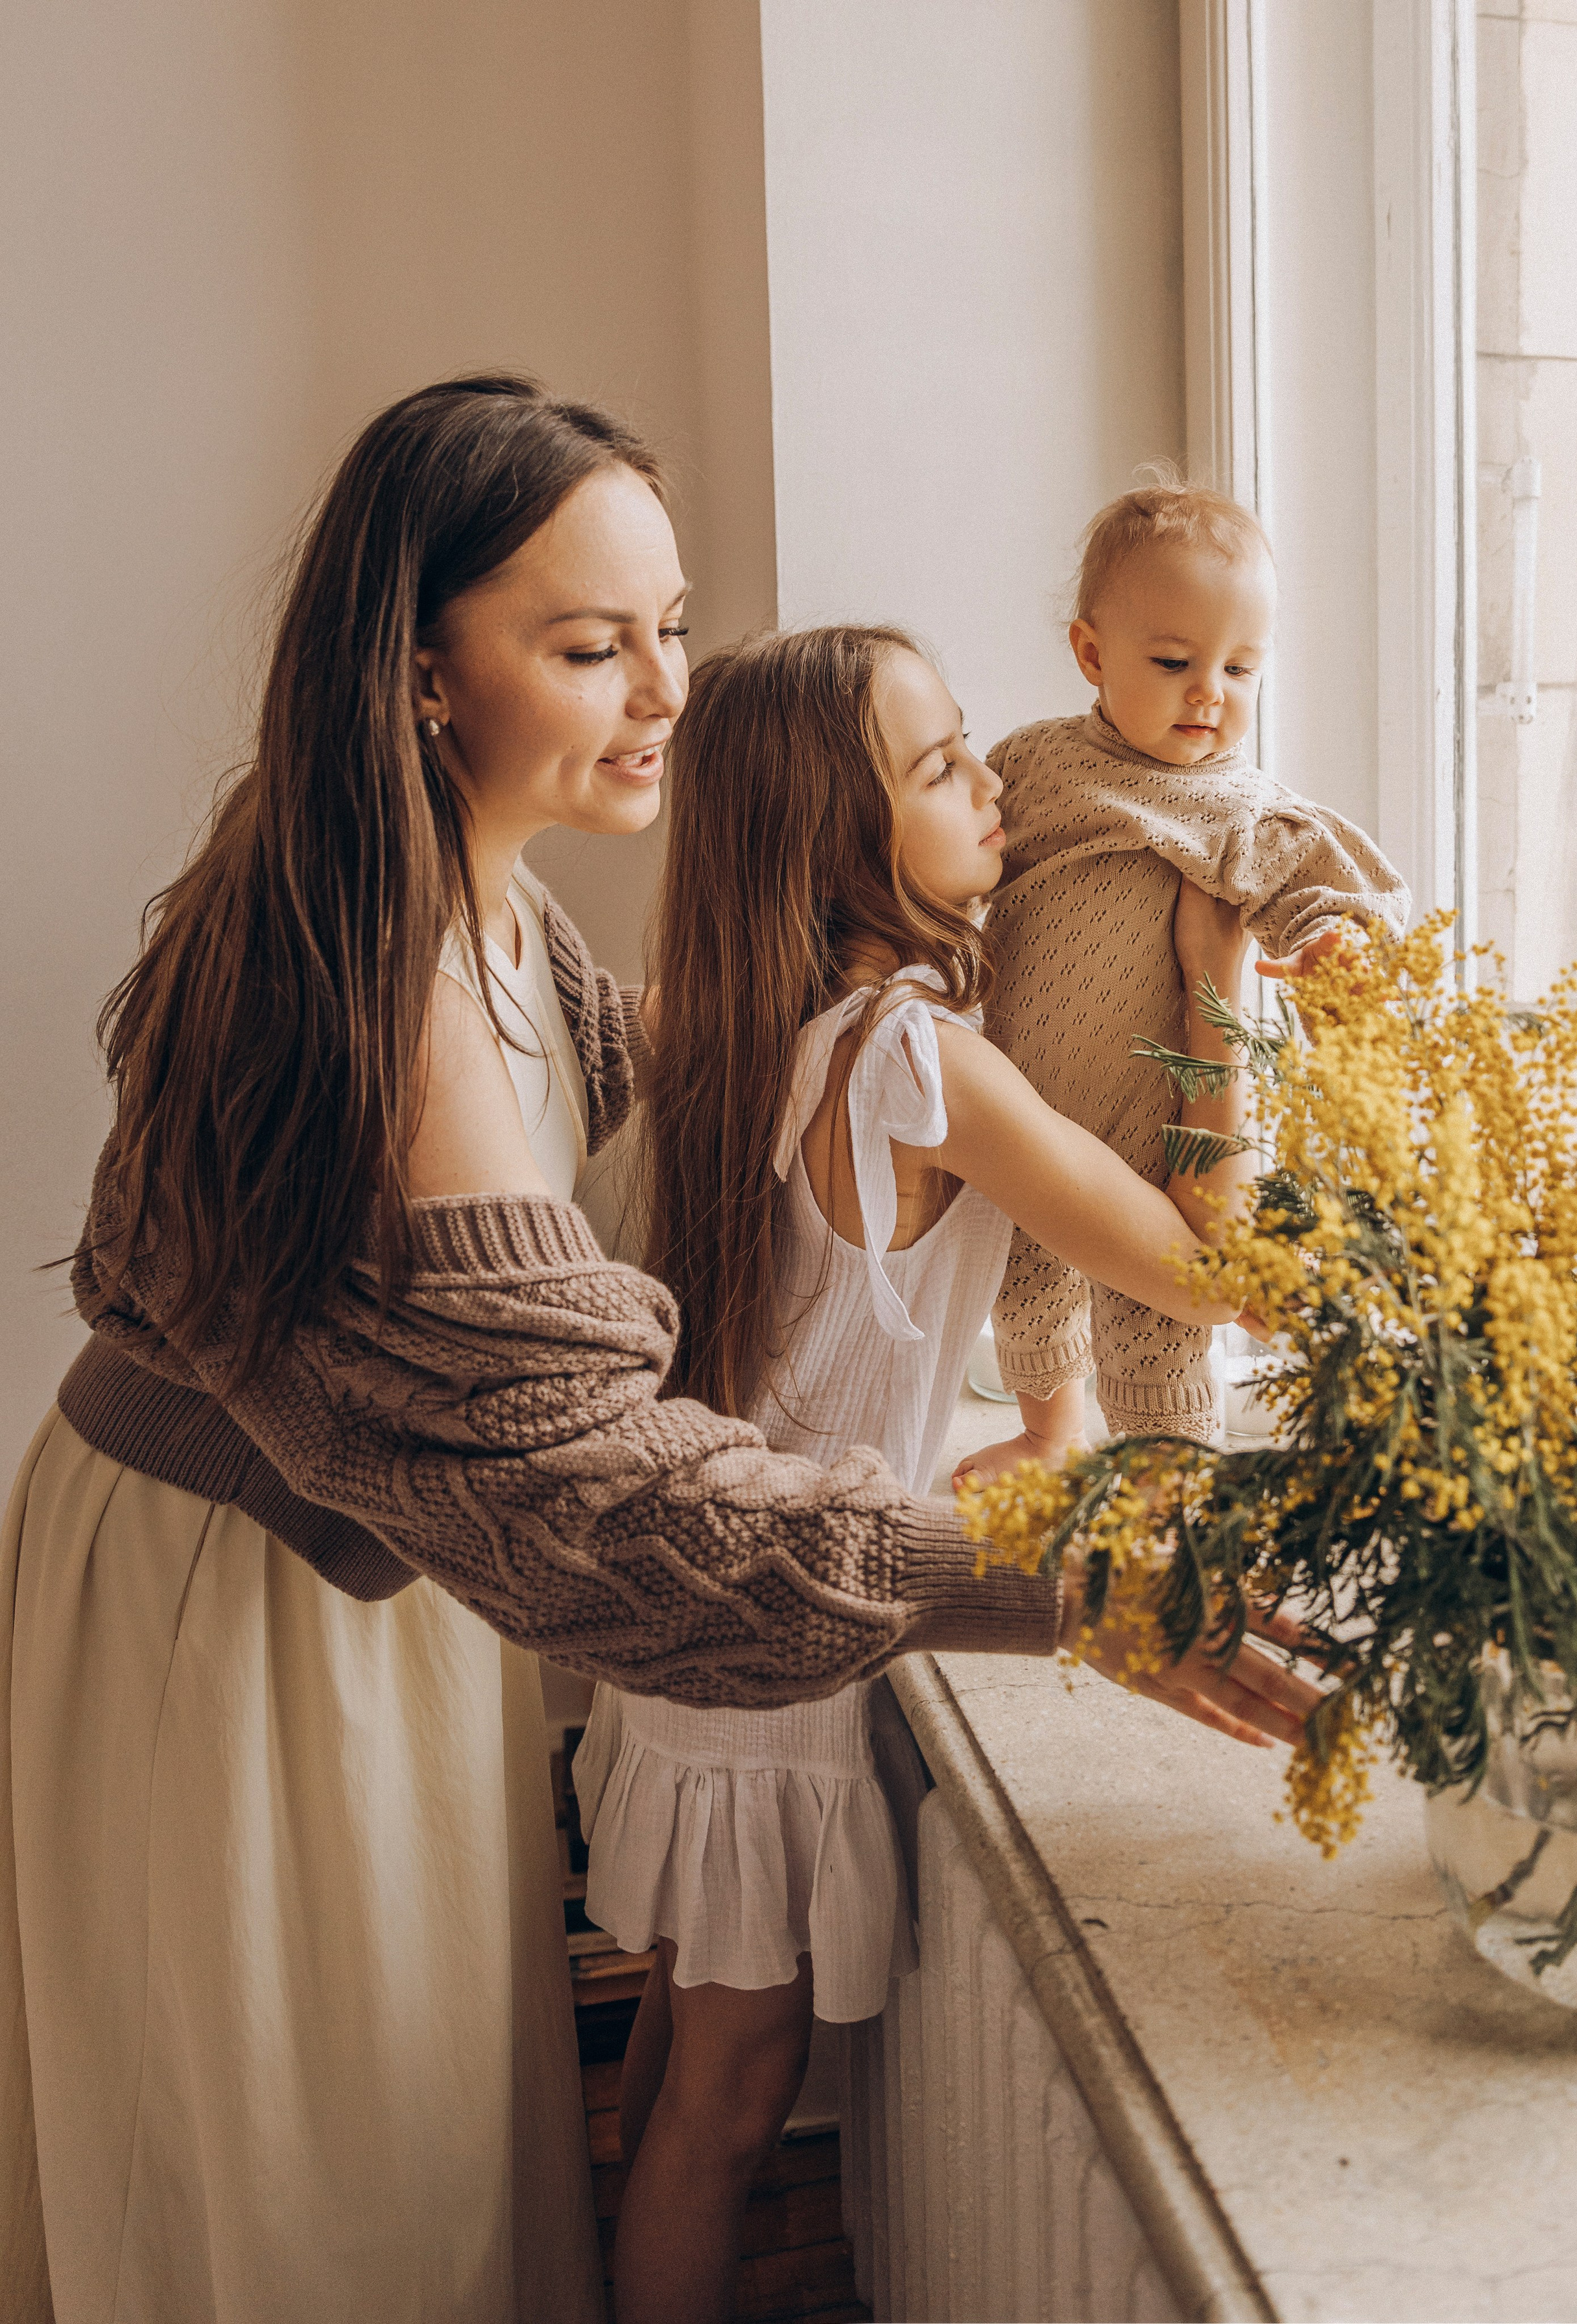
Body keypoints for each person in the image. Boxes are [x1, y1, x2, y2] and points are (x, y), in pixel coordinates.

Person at [0, 379, 1320, 2324]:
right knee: (313, 2210)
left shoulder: (482, 906)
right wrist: (1063, 1580)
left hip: (365, 1588)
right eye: (589, 645)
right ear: (420, 669)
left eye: (672, 630)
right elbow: (598, 1493)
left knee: (444, 2161)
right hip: (241, 1613)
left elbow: (693, 1105)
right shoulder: (379, 976)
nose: (666, 693)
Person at [571, 624, 1313, 2324]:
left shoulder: (764, 1026)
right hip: (783, 1647)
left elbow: (824, 1346)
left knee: (684, 2049)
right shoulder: (915, 1061)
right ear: (841, 841)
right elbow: (1213, 1272)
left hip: (705, 1619)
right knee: (730, 2100)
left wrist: (1028, 1443)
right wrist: (1216, 979)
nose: (993, 787)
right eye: (939, 766)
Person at [959, 470, 1411, 1487]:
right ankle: (1046, 1433)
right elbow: (962, 857)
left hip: (1163, 1123)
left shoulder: (1244, 810)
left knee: (1156, 1326)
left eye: (1243, 669)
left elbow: (1321, 889)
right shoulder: (1035, 766)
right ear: (1091, 653)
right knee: (1024, 1291)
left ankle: (1176, 1489)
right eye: (1174, 661)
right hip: (1024, 1099)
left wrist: (1334, 945)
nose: (1211, 693)